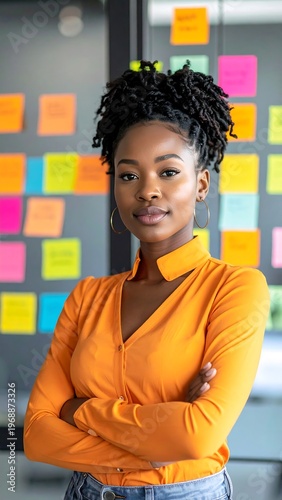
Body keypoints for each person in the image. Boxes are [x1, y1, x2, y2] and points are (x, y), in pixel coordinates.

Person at [24, 60, 270, 500]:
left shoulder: (235, 289)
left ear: (201, 184)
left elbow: (196, 438)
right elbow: (38, 436)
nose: (147, 190)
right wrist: (156, 438)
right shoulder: (88, 296)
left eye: (168, 171)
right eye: (128, 174)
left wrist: (79, 408)